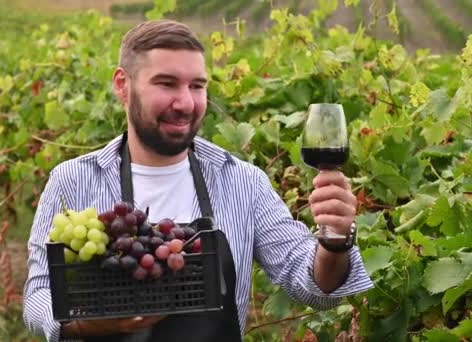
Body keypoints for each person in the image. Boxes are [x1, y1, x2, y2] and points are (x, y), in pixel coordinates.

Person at [23, 19, 373, 342]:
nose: (186, 102)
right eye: (166, 83)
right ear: (123, 86)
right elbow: (37, 298)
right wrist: (85, 325)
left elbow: (314, 287)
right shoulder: (73, 180)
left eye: (197, 86)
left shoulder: (241, 181)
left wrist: (335, 239)